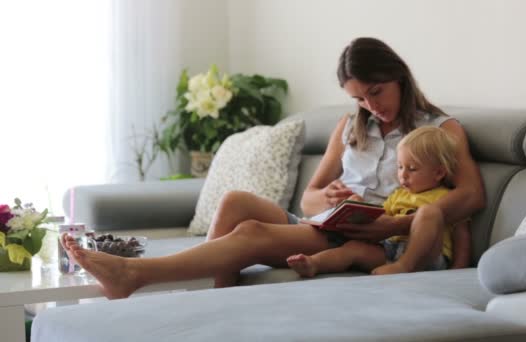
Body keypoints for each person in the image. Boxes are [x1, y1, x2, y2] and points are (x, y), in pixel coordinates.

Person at [61, 37, 485, 299]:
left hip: (372, 233)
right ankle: (217, 301)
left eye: (376, 92)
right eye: (359, 98)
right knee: (234, 202)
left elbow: (470, 194)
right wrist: (331, 196)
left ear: (399, 78)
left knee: (250, 233)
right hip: (330, 219)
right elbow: (310, 196)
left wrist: (392, 226)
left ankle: (134, 274)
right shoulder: (352, 126)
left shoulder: (438, 130)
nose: (371, 106)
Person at [287, 126, 468, 277]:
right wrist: (357, 207)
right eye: (399, 167)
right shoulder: (399, 195)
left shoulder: (446, 197)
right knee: (353, 248)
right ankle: (314, 264)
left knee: (429, 213)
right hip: (390, 252)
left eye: (412, 169)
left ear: (438, 173)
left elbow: (462, 235)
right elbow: (381, 220)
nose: (402, 175)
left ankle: (405, 267)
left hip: (429, 257)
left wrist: (457, 271)